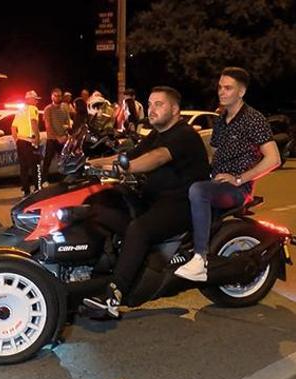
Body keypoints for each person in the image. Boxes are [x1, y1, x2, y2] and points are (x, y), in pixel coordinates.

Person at [81, 86, 210, 318]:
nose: (151, 109)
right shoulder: (156, 134)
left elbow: (154, 158)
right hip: (152, 199)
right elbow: (131, 155)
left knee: (139, 229)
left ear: (175, 108)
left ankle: (115, 293)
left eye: (158, 104)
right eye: (149, 104)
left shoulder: (184, 134)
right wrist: (92, 163)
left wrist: (124, 167)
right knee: (104, 204)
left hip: (180, 205)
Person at [174, 67, 280, 281]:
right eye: (220, 87)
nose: (221, 92)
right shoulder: (222, 120)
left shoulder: (253, 119)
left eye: (228, 88)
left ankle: (199, 259)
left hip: (237, 190)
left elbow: (273, 159)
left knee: (198, 191)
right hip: (217, 184)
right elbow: (214, 155)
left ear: (241, 92)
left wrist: (239, 179)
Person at [11, 90, 42, 195]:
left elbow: (13, 127)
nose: (37, 102)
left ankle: (25, 190)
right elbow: (34, 123)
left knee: (23, 167)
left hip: (21, 142)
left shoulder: (20, 110)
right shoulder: (33, 109)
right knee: (35, 165)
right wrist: (37, 138)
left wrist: (16, 139)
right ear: (30, 99)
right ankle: (38, 188)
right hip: (30, 142)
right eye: (35, 99)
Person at [42, 88, 70, 183]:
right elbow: (48, 126)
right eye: (56, 96)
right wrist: (57, 137)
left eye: (59, 96)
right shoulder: (48, 109)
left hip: (63, 138)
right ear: (52, 97)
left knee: (65, 159)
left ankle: (64, 178)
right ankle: (44, 180)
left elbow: (68, 122)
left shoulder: (65, 107)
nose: (58, 98)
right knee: (47, 161)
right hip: (52, 139)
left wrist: (66, 135)